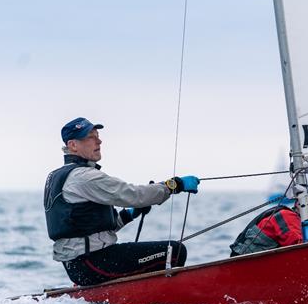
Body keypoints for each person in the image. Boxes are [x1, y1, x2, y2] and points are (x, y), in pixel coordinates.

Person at [44, 117, 200, 286]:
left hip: (79, 266)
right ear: (73, 145)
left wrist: (130, 214)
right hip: (93, 262)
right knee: (174, 252)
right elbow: (133, 195)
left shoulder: (57, 176)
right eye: (91, 137)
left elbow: (88, 227)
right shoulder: (84, 177)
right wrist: (174, 185)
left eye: (98, 135)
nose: (99, 141)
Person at [229, 188, 308, 257]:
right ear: (298, 203)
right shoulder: (287, 216)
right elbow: (300, 250)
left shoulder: (303, 226)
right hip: (247, 267)